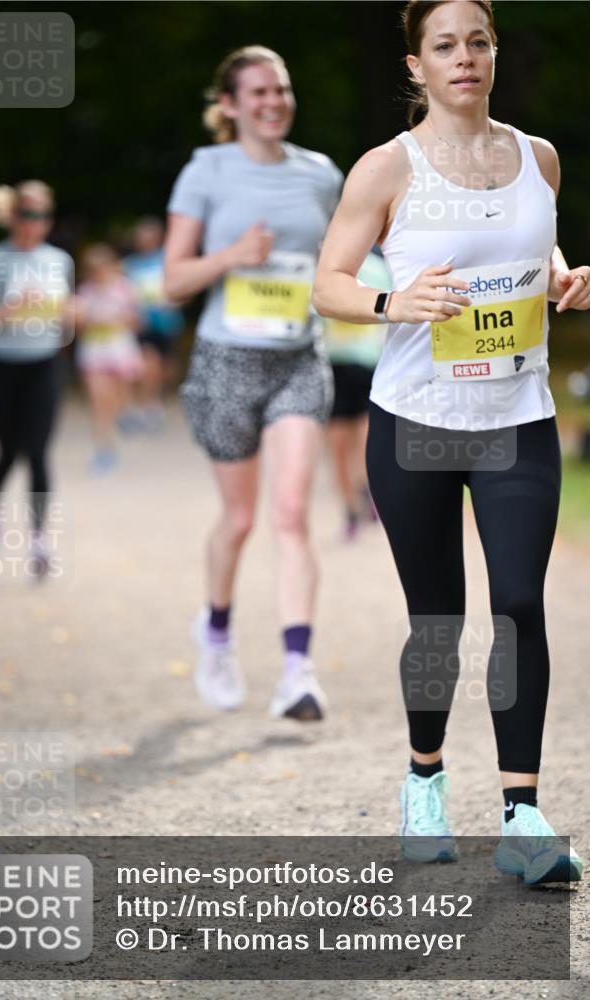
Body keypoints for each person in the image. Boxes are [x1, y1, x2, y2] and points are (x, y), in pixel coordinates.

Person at [313, 0, 588, 882]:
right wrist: (395, 303)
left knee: (517, 604)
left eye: (478, 41)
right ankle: (423, 781)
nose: (463, 57)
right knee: (436, 616)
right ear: (416, 66)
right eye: (444, 45)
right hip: (416, 423)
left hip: (516, 419)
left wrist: (559, 279)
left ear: (493, 53)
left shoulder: (537, 157)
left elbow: (528, 254)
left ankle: (522, 816)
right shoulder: (384, 170)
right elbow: (328, 284)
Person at [165, 45, 343, 721]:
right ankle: (214, 634)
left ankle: (298, 670)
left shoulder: (321, 174)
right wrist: (233, 256)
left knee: (291, 513)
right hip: (226, 364)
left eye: (281, 89)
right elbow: (174, 279)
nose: (272, 102)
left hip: (298, 358)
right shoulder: (205, 171)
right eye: (258, 92)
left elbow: (346, 254)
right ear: (231, 105)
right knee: (239, 519)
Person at [0, 180, 73, 576]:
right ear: (13, 216)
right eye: (28, 213)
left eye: (43, 215)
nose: (35, 222)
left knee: (39, 451)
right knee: (8, 451)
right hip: (1, 367)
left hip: (44, 365)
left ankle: (39, 541)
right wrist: (12, 307)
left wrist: (74, 313)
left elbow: (65, 318)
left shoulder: (59, 261)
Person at [324, 250, 390, 538]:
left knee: (348, 444)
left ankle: (358, 501)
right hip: (349, 362)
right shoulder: (375, 267)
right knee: (349, 442)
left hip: (352, 361)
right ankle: (359, 498)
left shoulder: (336, 262)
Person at [73, 244, 144, 473]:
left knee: (114, 400)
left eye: (102, 267)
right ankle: (103, 448)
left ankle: (124, 417)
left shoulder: (125, 289)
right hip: (94, 354)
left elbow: (138, 322)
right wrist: (88, 321)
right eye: (93, 268)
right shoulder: (84, 292)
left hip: (120, 352)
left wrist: (120, 319)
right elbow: (79, 326)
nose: (98, 272)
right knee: (99, 401)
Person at [122, 217, 186, 432]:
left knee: (164, 368)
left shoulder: (167, 260)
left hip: (167, 323)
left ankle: (155, 403)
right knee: (147, 365)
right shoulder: (130, 264)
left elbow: (182, 290)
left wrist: (175, 300)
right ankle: (144, 406)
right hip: (142, 323)